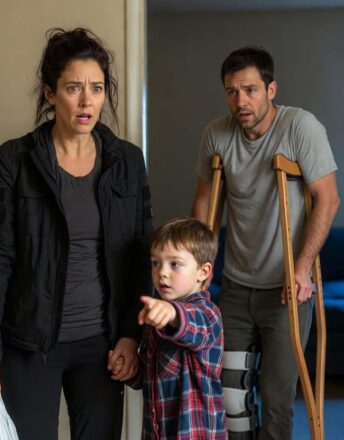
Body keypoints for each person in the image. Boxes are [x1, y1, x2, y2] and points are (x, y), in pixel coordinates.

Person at [0, 27, 153, 440]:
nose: (87, 101)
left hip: (103, 345)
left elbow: (141, 254)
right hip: (28, 345)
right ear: (50, 94)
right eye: (74, 88)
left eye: (97, 88)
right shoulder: (11, 162)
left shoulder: (127, 162)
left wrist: (131, 335)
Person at [192, 46, 340, 439]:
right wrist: (196, 269)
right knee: (230, 397)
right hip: (236, 288)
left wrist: (303, 267)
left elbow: (328, 199)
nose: (241, 101)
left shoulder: (301, 127)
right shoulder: (216, 134)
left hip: (286, 290)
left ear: (271, 90)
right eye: (232, 91)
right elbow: (206, 203)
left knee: (276, 398)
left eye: (250, 90)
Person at [111, 217, 227, 439]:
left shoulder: (208, 313)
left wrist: (173, 313)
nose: (162, 272)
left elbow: (193, 326)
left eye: (175, 264)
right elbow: (150, 376)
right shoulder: (157, 316)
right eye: (156, 263)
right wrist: (129, 370)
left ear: (203, 272)